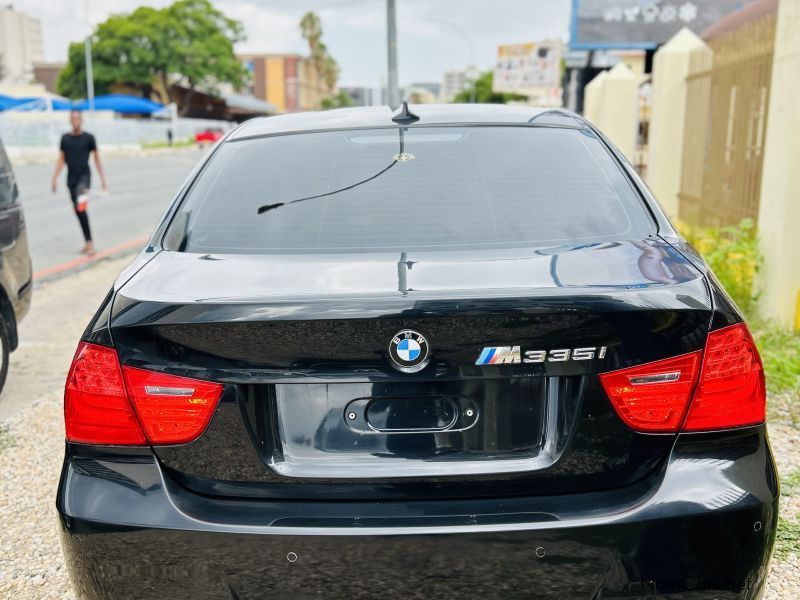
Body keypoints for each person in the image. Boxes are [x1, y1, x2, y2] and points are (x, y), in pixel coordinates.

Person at [50, 110, 108, 255]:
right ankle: (87, 242)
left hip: (84, 179)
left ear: (82, 120)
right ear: (70, 120)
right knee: (77, 210)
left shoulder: (89, 138)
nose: (75, 120)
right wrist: (54, 178)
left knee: (81, 208)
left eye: (77, 118)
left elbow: (97, 159)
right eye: (73, 118)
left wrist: (103, 181)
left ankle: (90, 244)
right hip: (71, 180)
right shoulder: (65, 139)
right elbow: (61, 159)